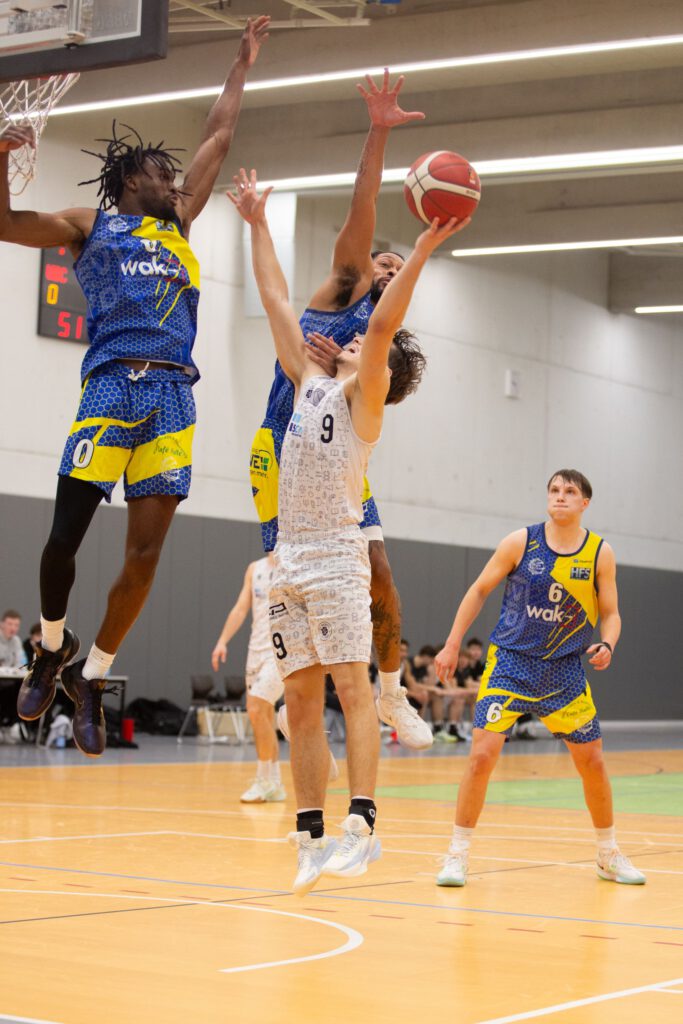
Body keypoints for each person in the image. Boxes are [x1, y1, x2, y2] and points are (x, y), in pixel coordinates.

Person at [0, 16, 270, 758]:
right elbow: (7, 222)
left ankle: (92, 674)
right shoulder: (90, 226)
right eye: (160, 173)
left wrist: (241, 65)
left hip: (173, 397)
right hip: (110, 387)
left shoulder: (180, 223)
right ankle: (50, 646)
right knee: (63, 540)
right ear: (129, 181)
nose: (175, 182)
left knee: (145, 556)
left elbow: (218, 136)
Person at [230, 167, 466, 894]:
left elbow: (385, 324)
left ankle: (363, 827)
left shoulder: (366, 402)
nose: (357, 336)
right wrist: (257, 225)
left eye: (370, 342)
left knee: (351, 691)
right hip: (287, 561)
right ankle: (311, 834)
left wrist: (420, 249)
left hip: (336, 557)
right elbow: (275, 300)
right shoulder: (307, 382)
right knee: (301, 703)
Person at [249, 69, 433, 751]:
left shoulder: (376, 340)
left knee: (377, 573)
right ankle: (282, 689)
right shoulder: (342, 289)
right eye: (384, 260)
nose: (389, 268)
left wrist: (346, 374)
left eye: (399, 268)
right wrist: (377, 132)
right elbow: (363, 206)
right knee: (289, 580)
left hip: (338, 458)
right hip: (280, 445)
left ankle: (391, 693)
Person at [434, 469, 646, 887]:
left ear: (585, 503)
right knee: (482, 755)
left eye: (570, 491)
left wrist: (608, 643)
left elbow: (611, 613)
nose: (560, 496)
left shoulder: (599, 553)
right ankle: (457, 854)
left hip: (563, 671)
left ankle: (607, 854)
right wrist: (452, 643)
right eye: (554, 490)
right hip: (510, 664)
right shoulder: (521, 541)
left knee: (593, 761)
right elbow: (479, 590)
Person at [211, 554, 286, 803]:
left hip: (281, 652)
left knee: (255, 707)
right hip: (256, 651)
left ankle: (263, 780)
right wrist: (222, 641)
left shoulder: (292, 562)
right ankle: (275, 782)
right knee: (263, 715)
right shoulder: (255, 568)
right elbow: (241, 608)